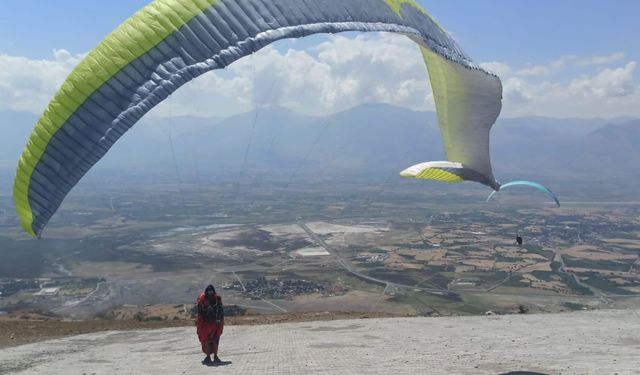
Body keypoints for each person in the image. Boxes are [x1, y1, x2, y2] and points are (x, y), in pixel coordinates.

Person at [196, 284, 224, 365]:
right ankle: (208, 356)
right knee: (207, 340)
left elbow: (220, 309)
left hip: (216, 323)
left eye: (211, 291)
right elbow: (200, 312)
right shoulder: (202, 300)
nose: (210, 293)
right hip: (206, 324)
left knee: (215, 340)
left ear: (213, 291)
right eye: (208, 291)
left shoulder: (217, 299)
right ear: (206, 292)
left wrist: (218, 319)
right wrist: (206, 306)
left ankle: (215, 356)